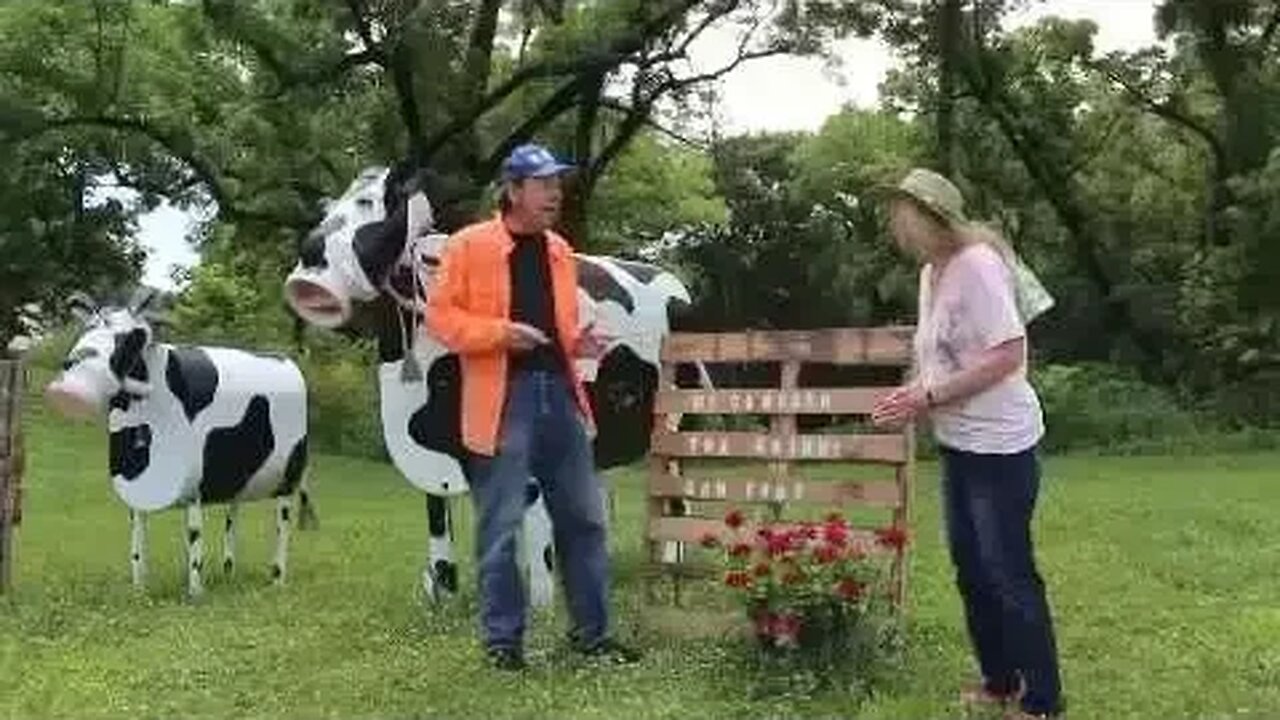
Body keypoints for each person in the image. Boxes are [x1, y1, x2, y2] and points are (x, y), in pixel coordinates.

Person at [423, 142, 639, 671]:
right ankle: (503, 644)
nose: (554, 194)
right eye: (543, 184)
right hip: (502, 400)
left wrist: (577, 343)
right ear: (513, 190)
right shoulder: (469, 245)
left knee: (585, 519)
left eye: (556, 184)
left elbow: (557, 326)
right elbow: (441, 320)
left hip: (561, 395)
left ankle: (592, 635)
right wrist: (500, 334)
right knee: (501, 527)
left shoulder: (561, 251)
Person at [870, 168, 1064, 719]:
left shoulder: (978, 265)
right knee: (971, 569)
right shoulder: (934, 272)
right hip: (959, 442)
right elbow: (936, 355)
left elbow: (1007, 354)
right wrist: (908, 397)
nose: (893, 224)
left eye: (899, 212)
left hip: (1001, 446)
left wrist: (926, 398)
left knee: (1008, 571)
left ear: (926, 216)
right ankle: (999, 682)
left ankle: (1043, 701)